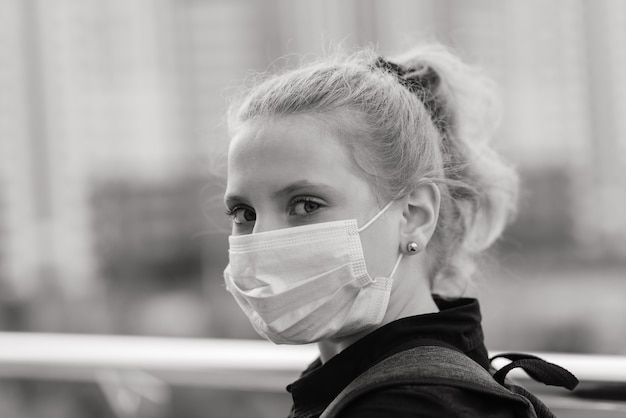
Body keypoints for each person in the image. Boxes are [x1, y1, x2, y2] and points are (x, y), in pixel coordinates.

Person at [221, 44, 577, 417]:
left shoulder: (407, 406)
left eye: (306, 205)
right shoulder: (392, 383)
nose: (262, 238)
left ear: (414, 216)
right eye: (244, 213)